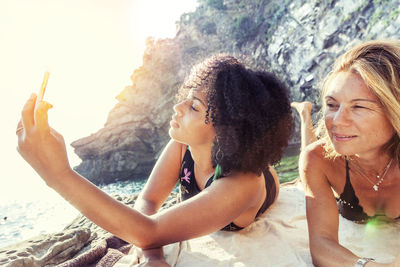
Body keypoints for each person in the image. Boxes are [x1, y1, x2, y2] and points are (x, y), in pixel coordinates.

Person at [16, 54, 293, 266]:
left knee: (256, 167)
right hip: (221, 164)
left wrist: (58, 174)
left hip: (259, 183)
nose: (177, 107)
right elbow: (149, 202)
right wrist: (152, 254)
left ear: (226, 129)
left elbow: (150, 230)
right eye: (186, 98)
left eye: (194, 106)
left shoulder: (242, 183)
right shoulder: (181, 147)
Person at [293, 40, 400, 266]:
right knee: (310, 151)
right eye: (332, 105)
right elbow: (321, 246)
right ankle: (305, 114)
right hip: (326, 158)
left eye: (358, 107)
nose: (337, 120)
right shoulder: (317, 160)